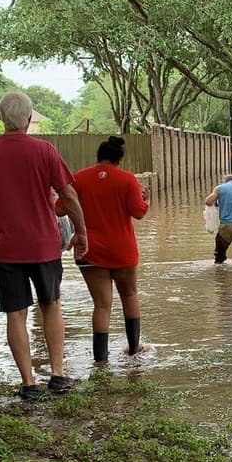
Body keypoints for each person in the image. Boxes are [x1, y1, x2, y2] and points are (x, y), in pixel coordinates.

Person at [0, 92, 88, 399]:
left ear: (1, 119)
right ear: (29, 119)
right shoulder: (45, 151)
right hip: (44, 246)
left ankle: (29, 383)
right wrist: (82, 232)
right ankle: (57, 375)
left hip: (6, 249)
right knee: (51, 305)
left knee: (15, 314)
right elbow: (68, 195)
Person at [68, 136, 151, 364]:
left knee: (101, 305)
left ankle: (100, 359)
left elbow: (59, 208)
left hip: (89, 250)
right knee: (129, 295)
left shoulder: (78, 178)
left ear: (98, 156)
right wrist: (147, 200)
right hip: (122, 250)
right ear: (119, 159)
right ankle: (134, 348)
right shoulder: (127, 179)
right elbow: (138, 212)